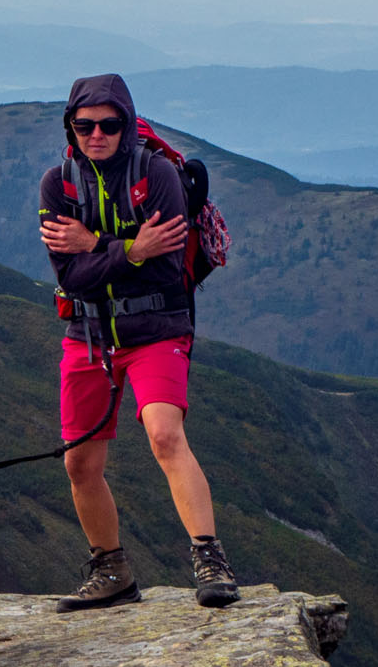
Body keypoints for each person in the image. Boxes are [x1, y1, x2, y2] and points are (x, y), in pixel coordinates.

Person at [38, 72, 239, 611]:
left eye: (108, 124)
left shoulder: (158, 175)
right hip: (87, 332)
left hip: (158, 326)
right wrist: (130, 247)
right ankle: (112, 572)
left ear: (126, 125)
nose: (96, 134)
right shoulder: (58, 184)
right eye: (84, 125)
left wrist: (95, 245)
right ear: (71, 126)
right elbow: (70, 276)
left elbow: (168, 269)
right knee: (80, 464)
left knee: (164, 434)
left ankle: (210, 559)